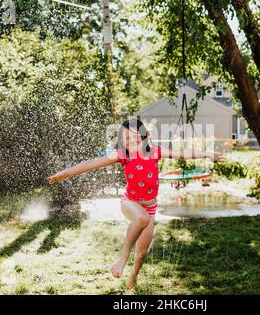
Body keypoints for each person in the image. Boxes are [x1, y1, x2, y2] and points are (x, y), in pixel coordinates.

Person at [47, 119, 223, 289]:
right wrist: (64, 173)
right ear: (121, 141)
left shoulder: (154, 151)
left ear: (144, 135)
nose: (132, 140)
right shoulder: (122, 155)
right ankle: (123, 258)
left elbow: (183, 153)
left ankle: (134, 275)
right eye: (127, 137)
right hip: (130, 202)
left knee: (142, 252)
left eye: (136, 135)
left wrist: (207, 154)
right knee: (140, 217)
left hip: (151, 207)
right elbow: (91, 164)